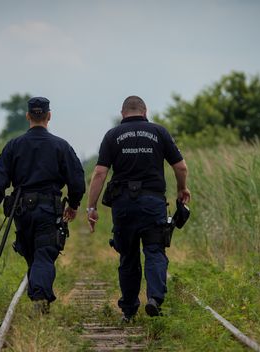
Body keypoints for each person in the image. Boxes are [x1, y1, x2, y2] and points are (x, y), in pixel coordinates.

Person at [86, 95, 190, 322]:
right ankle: (154, 299)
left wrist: (91, 207)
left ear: (123, 113)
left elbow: (100, 173)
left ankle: (129, 310)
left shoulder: (112, 135)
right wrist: (182, 189)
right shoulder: (159, 132)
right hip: (153, 204)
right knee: (154, 251)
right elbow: (181, 167)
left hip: (123, 205)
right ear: (145, 112)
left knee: (128, 256)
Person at [0, 96, 85, 313]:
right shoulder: (61, 146)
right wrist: (73, 205)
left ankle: (41, 299)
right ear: (49, 116)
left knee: (34, 254)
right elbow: (77, 180)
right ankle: (39, 298)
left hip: (22, 211)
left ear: (28, 116)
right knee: (44, 254)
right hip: (48, 210)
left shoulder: (13, 146)